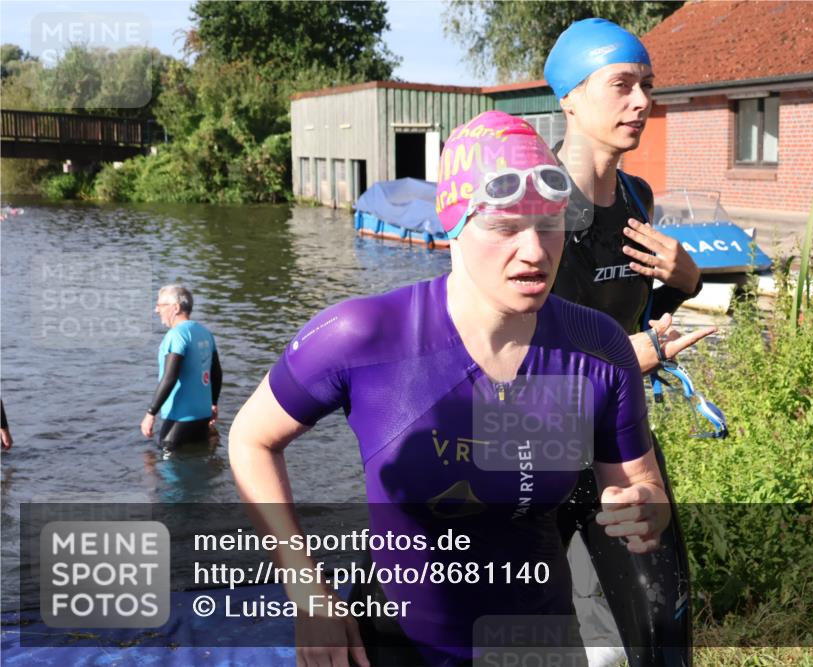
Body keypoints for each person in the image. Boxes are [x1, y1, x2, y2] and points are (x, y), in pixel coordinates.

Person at [228, 111, 672, 666]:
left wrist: (645, 510)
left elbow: (640, 485)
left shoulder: (598, 348)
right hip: (395, 646)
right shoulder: (363, 336)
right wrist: (306, 590)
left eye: (549, 223)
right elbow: (250, 439)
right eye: (506, 226)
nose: (535, 251)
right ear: (452, 225)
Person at [545, 17, 717, 667]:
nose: (643, 102)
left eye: (647, 85)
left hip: (619, 440)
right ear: (570, 96)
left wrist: (686, 276)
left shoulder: (639, 198)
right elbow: (492, 348)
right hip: (535, 444)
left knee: (662, 623)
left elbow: (645, 308)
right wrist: (621, 358)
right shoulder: (536, 203)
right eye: (622, 85)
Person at [140, 285, 222, 451]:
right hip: (203, 415)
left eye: (161, 305)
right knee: (199, 462)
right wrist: (213, 404)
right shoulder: (204, 332)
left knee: (166, 462)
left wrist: (150, 413)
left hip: (180, 417)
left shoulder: (176, 335)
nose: (157, 310)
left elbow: (170, 377)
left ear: (175, 308)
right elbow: (216, 372)